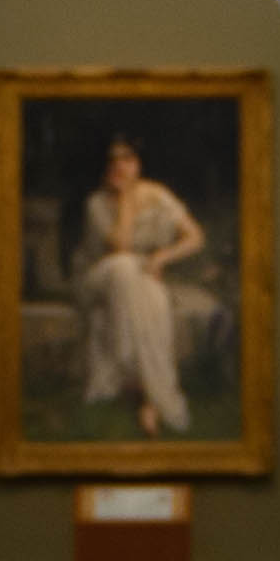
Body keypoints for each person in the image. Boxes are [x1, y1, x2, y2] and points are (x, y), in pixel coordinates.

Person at [72, 134, 210, 436]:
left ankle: (150, 399)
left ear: (139, 163)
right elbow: (119, 247)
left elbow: (195, 237)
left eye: (127, 159)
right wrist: (126, 199)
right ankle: (154, 393)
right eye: (113, 159)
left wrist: (162, 256)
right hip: (97, 278)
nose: (119, 166)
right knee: (124, 267)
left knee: (155, 300)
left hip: (143, 278)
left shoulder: (157, 195)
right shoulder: (96, 203)